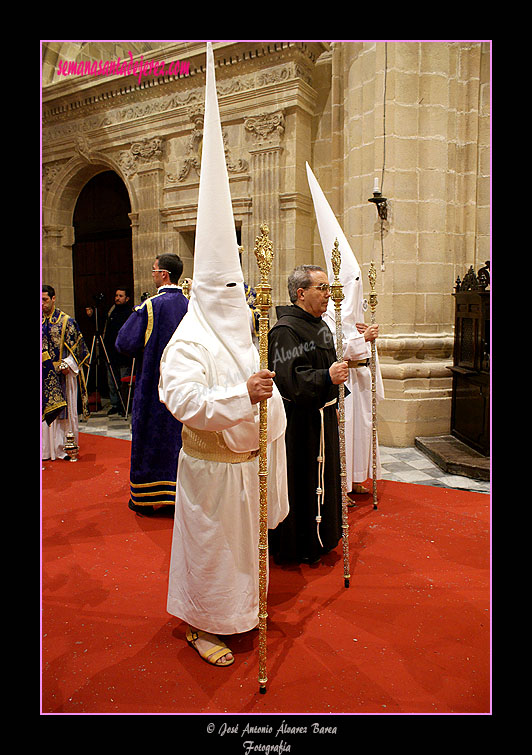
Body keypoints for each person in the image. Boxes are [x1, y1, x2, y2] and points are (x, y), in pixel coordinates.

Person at [159, 42, 289, 668]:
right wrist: (246, 397)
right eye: (227, 289)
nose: (236, 297)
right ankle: (201, 623)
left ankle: (242, 609)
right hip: (209, 471)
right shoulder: (188, 336)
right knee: (211, 551)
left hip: (243, 468)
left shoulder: (243, 332)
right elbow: (183, 401)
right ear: (208, 290)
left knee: (241, 553)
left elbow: (266, 391)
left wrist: (271, 407)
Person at [306, 162, 385, 497]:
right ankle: (341, 486)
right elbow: (334, 346)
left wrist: (366, 338)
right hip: (343, 382)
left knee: (362, 431)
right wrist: (361, 339)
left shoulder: (349, 314)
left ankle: (356, 480)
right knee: (346, 432)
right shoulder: (326, 314)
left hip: (359, 380)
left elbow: (351, 337)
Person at [268, 265, 349, 565]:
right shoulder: (286, 330)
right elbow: (290, 380)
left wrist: (334, 378)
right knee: (301, 481)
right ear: (301, 293)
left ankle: (322, 537)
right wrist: (326, 375)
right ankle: (299, 544)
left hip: (321, 418)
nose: (329, 294)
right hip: (299, 426)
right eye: (322, 287)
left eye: (328, 287)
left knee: (325, 479)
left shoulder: (320, 325)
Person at [115, 254, 188, 514]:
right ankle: (181, 494)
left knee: (152, 436)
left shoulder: (151, 306)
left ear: (164, 275)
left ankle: (148, 496)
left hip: (154, 386)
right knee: (181, 439)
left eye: (154, 270)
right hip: (187, 385)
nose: (153, 274)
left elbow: (124, 342)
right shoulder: (191, 305)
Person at [42, 285, 90, 460]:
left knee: (63, 415)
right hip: (43, 376)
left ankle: (64, 448)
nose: (42, 304)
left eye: (45, 300)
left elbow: (80, 351)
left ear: (54, 299)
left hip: (62, 373)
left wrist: (68, 364)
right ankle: (45, 450)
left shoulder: (66, 322)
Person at [87, 288, 133, 415]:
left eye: (120, 296)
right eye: (116, 295)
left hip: (124, 354)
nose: (117, 298)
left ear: (127, 298)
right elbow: (104, 324)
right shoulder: (112, 310)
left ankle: (125, 405)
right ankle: (115, 404)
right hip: (110, 352)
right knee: (112, 381)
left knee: (124, 381)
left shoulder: (130, 313)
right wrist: (93, 316)